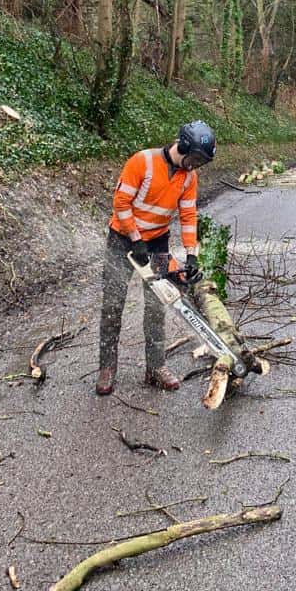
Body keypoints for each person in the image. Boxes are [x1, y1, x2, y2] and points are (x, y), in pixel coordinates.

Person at [95, 120, 217, 396]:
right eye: (195, 158)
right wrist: (135, 238)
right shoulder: (143, 162)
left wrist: (191, 255)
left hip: (157, 240)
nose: (195, 165)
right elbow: (120, 203)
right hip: (122, 239)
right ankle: (107, 367)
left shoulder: (189, 177)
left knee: (156, 303)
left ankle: (155, 367)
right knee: (113, 303)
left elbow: (188, 216)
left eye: (201, 162)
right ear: (183, 145)